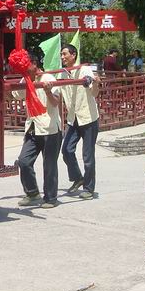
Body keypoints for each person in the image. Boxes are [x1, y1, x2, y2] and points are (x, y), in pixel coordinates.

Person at [14, 53, 63, 208]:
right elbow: (15, 95)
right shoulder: (25, 80)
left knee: (49, 165)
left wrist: (48, 92)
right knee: (23, 161)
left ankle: (51, 198)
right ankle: (32, 193)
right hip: (32, 128)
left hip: (50, 129)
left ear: (34, 64)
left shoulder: (49, 78)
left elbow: (56, 102)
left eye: (26, 66)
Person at [59, 44, 101, 199]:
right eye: (61, 54)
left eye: (65, 54)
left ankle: (89, 188)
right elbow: (57, 94)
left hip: (88, 118)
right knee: (66, 150)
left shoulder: (85, 70)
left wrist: (95, 83)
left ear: (73, 55)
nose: (62, 57)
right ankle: (78, 178)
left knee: (87, 156)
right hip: (73, 119)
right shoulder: (62, 74)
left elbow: (94, 92)